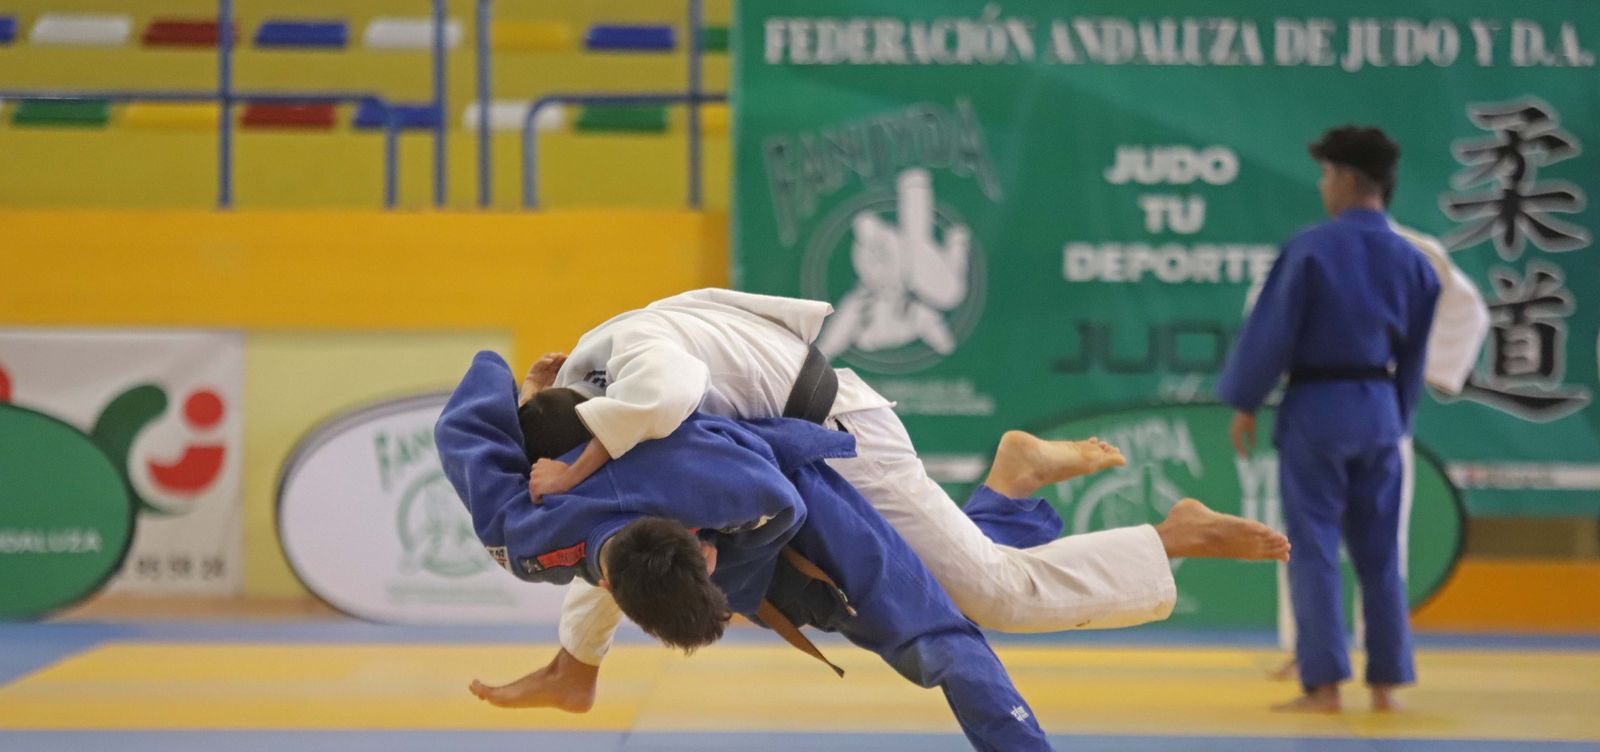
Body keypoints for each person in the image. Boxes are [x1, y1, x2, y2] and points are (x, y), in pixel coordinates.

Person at [435, 350, 1102, 752]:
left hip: (805, 505)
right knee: (938, 587)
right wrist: (526, 401)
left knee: (935, 640)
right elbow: (468, 407)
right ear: (609, 586)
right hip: (735, 538)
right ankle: (1009, 493)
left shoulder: (704, 477)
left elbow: (783, 498)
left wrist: (530, 393)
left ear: (696, 536)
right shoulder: (525, 534)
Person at [487, 288, 1289, 711]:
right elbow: (612, 509)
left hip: (840, 436)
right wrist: (535, 394)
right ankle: (1012, 482)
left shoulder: (636, 364)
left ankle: (1170, 535)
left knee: (994, 597)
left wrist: (573, 471)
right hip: (803, 433)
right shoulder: (589, 373)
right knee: (634, 544)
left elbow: (662, 400)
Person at [1219, 125, 1441, 713]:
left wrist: (1246, 400)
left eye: (1324, 175)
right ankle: (1388, 683)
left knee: (1314, 545)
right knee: (1381, 552)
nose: (1322, 186)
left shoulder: (1312, 248)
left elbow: (1272, 334)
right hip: (1380, 408)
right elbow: (1416, 356)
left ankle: (1323, 685)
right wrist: (1398, 415)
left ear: (1345, 179)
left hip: (1318, 407)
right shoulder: (1414, 261)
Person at [1265, 212, 1489, 682]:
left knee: (1366, 541)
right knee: (1312, 539)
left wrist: (1431, 368)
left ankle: (1369, 654)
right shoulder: (1314, 248)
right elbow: (1270, 315)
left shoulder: (1411, 249)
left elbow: (1467, 309)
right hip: (1345, 400)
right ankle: (1314, 652)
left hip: (1365, 397)